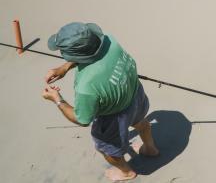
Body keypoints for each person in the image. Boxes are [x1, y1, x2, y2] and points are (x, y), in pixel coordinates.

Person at [42, 22, 159, 181]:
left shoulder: (86, 87)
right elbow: (91, 52)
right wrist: (64, 68)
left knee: (108, 149)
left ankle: (126, 172)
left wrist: (57, 99)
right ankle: (150, 149)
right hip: (134, 94)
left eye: (63, 51)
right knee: (140, 122)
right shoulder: (110, 41)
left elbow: (82, 119)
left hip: (114, 117)